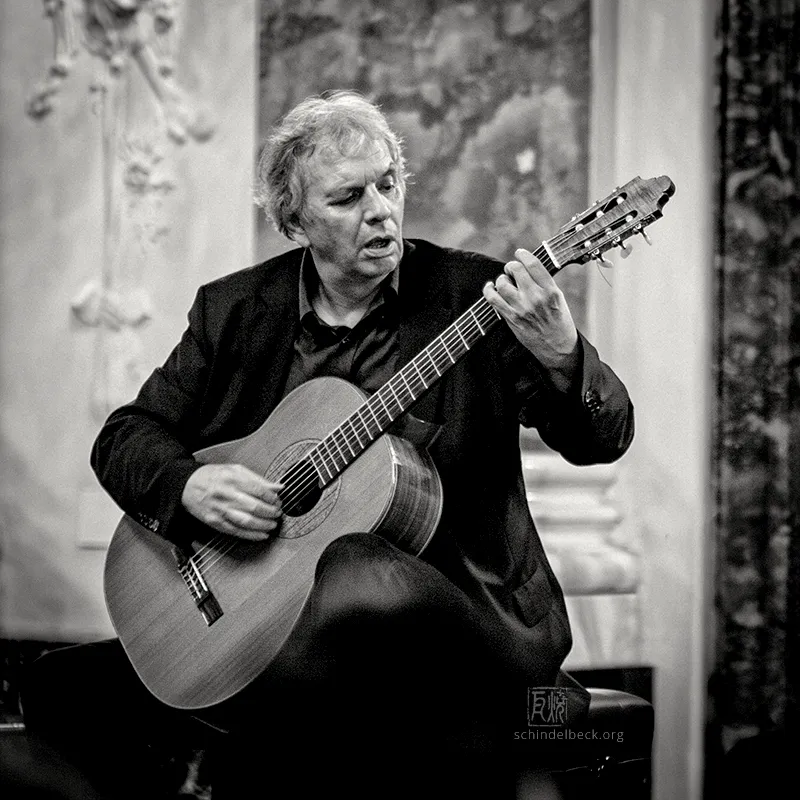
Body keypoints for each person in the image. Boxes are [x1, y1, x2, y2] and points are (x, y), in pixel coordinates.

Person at [20, 90, 634, 799]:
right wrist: (188, 486)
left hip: (461, 631)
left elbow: (603, 439)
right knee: (56, 687)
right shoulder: (235, 311)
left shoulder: (473, 295)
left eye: (388, 184)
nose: (380, 210)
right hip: (271, 628)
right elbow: (125, 438)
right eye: (347, 197)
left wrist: (564, 357)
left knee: (353, 569)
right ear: (294, 220)